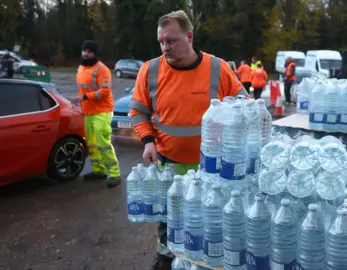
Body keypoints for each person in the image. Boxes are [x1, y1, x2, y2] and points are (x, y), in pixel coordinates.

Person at [128, 10, 248, 267]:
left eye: (171, 40)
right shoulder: (150, 71)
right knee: (169, 219)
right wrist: (148, 141)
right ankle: (165, 262)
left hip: (213, 170)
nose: (165, 47)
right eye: (161, 41)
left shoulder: (218, 68)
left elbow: (244, 107)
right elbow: (138, 111)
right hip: (169, 163)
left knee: (209, 221)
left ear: (190, 36)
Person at [69, 40, 121, 187]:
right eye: (84, 51)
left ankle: (115, 173)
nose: (86, 54)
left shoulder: (102, 69)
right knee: (91, 144)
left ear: (94, 53)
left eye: (89, 51)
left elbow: (105, 91)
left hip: (102, 111)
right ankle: (99, 171)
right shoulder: (81, 68)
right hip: (88, 111)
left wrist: (84, 97)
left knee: (102, 142)